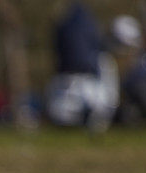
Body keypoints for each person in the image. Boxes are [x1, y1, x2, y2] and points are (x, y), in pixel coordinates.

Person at [46, 1, 119, 130]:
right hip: (87, 82)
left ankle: (84, 117)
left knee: (65, 115)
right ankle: (88, 117)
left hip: (69, 81)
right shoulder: (90, 25)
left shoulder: (66, 25)